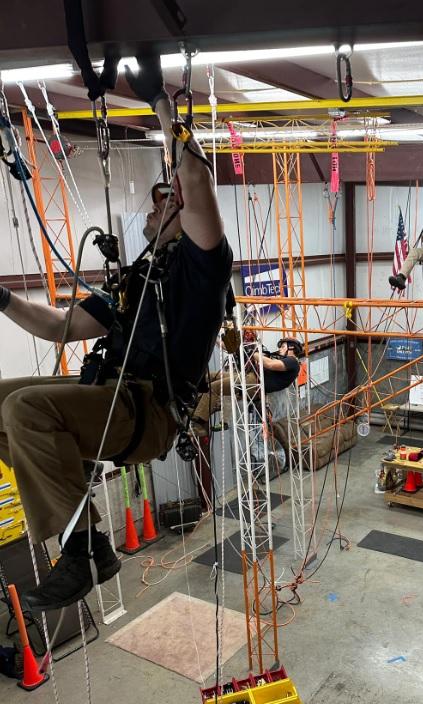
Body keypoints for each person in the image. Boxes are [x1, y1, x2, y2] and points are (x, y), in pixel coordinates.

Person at [0, 52, 233, 612]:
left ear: (183, 220)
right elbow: (60, 327)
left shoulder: (202, 272)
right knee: (4, 403)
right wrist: (3, 299)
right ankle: (88, 538)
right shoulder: (137, 279)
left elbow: (196, 178)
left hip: (149, 411)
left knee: (29, 409)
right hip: (109, 397)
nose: (154, 211)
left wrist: (158, 100)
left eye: (166, 204)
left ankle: (80, 551)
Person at [193, 336, 304, 431]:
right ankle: (191, 392)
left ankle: (198, 422)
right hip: (249, 377)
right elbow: (229, 348)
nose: (280, 349)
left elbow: (270, 364)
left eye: (283, 346)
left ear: (292, 348)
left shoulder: (292, 362)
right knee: (212, 376)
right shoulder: (283, 359)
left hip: (254, 383)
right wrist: (215, 337)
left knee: (215, 387)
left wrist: (255, 354)